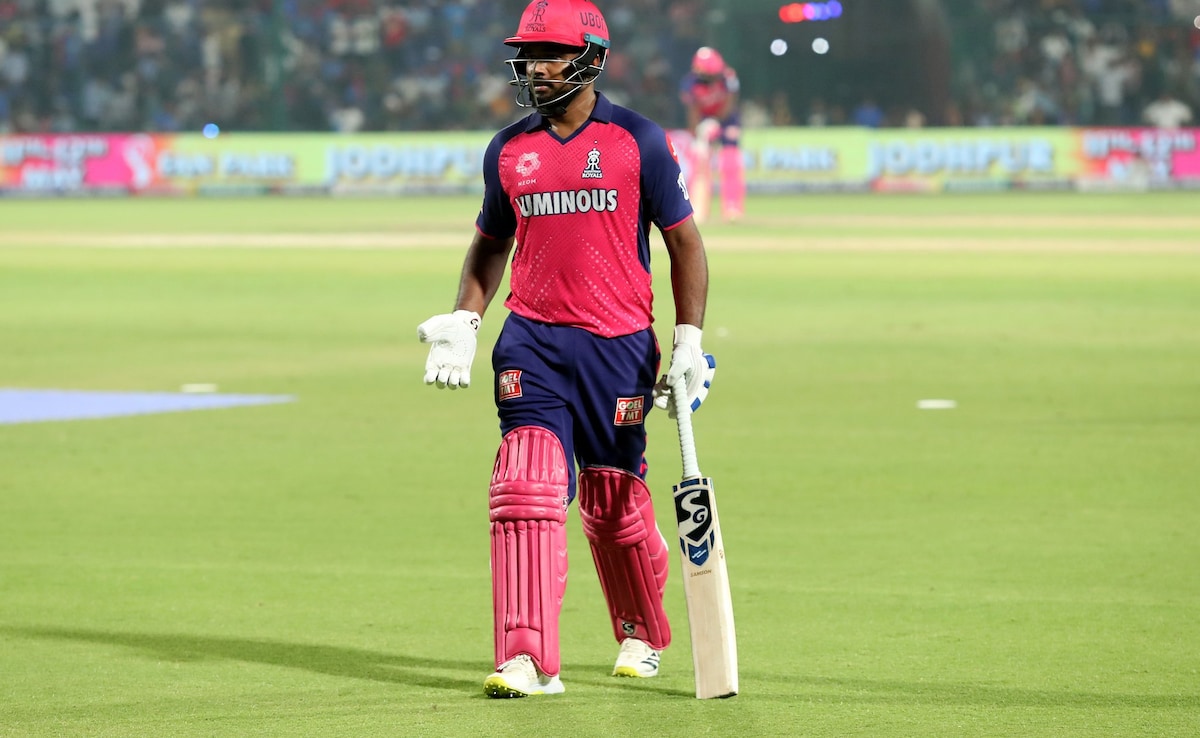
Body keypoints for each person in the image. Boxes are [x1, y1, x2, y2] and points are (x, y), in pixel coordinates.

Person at [416, 0, 715, 699]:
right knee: (524, 487)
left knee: (613, 503)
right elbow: (490, 243)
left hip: (618, 346)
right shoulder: (508, 149)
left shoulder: (637, 140)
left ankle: (640, 632)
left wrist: (689, 341)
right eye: (528, 55)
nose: (535, 68)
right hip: (532, 341)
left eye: (550, 54)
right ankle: (526, 658)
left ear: (593, 59)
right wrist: (466, 317)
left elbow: (685, 243)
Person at [678, 46, 745, 223]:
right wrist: (697, 133)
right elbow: (692, 111)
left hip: (727, 120)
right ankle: (698, 207)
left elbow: (729, 104)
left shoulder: (728, 77)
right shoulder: (690, 84)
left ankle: (732, 207)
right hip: (703, 120)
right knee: (700, 162)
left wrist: (717, 122)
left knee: (730, 162)